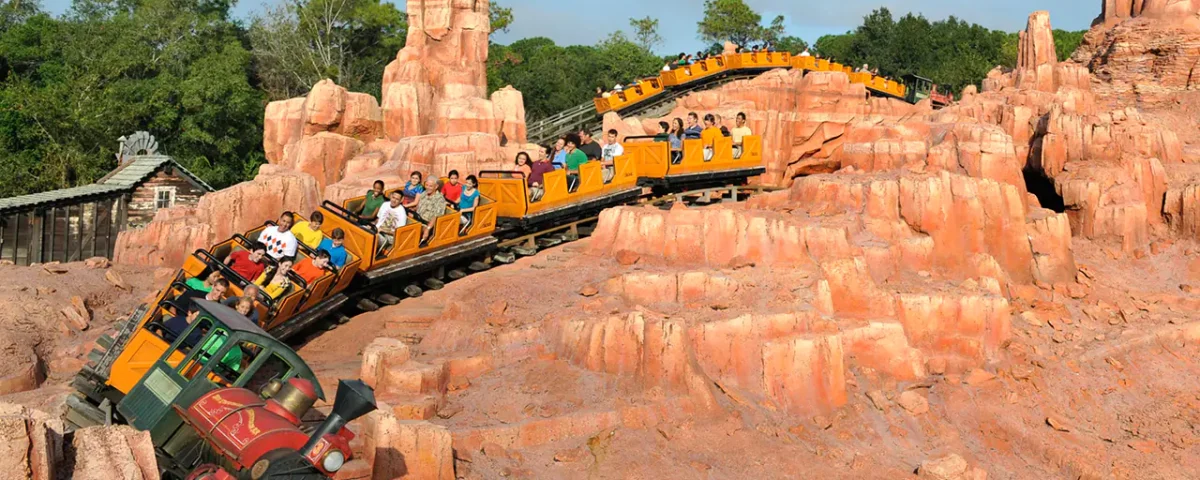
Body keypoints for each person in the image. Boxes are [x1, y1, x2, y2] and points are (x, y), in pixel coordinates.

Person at [415, 177, 447, 246]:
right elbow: (418, 206)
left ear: (436, 187)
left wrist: (427, 229)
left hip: (427, 224)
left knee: (412, 231)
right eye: (426, 185)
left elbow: (436, 216)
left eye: (430, 186)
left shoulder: (440, 199)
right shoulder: (424, 193)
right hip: (417, 220)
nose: (428, 188)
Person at [374, 191, 407, 255]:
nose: (394, 200)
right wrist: (373, 226)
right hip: (377, 230)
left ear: (401, 200)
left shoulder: (402, 213)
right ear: (391, 196)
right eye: (393, 197)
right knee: (363, 229)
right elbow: (378, 219)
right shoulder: (385, 204)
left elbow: (398, 233)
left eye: (397, 199)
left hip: (388, 237)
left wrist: (382, 230)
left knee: (373, 238)